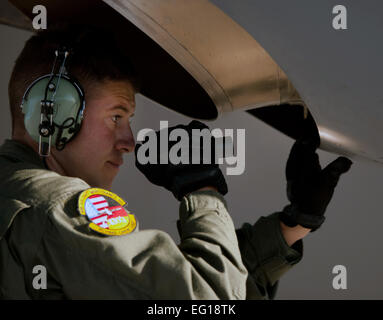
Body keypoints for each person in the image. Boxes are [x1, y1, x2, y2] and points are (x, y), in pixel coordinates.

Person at [0, 24, 352, 300]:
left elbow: (182, 287)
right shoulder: (57, 209)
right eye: (116, 117)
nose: (129, 142)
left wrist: (291, 228)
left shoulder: (22, 197)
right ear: (51, 115)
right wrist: (203, 190)